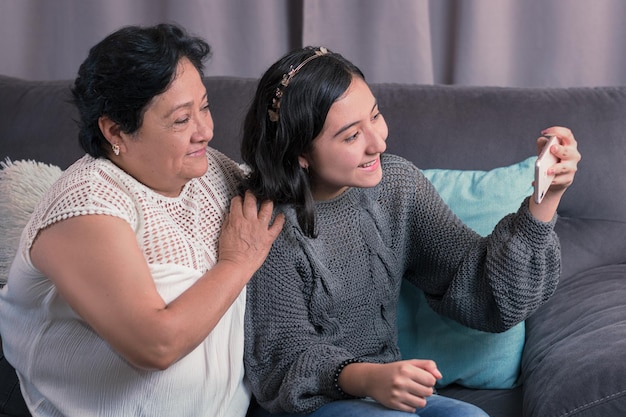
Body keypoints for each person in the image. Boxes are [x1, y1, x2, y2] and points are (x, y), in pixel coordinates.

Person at [240, 46, 581, 416]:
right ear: (299, 152)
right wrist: (369, 378)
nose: (379, 142)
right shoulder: (267, 224)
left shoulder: (397, 186)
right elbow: (283, 359)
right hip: (313, 405)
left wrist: (545, 200)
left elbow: (488, 295)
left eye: (375, 115)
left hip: (385, 396)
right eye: (351, 136)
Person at [0, 23, 284, 417]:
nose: (206, 130)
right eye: (181, 120)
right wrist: (236, 263)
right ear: (116, 130)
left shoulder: (209, 170)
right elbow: (156, 345)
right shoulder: (87, 205)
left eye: (204, 106)